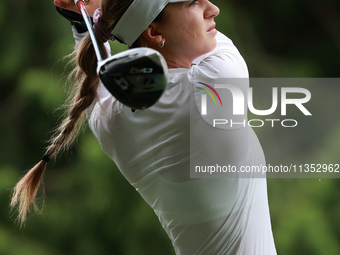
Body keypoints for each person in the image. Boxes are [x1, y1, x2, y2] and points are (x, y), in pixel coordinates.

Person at [11, 0, 277, 254]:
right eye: (193, 2)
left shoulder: (112, 117)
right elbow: (207, 44)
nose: (213, 9)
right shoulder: (216, 82)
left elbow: (96, 69)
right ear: (153, 30)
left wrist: (96, 20)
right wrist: (90, 19)